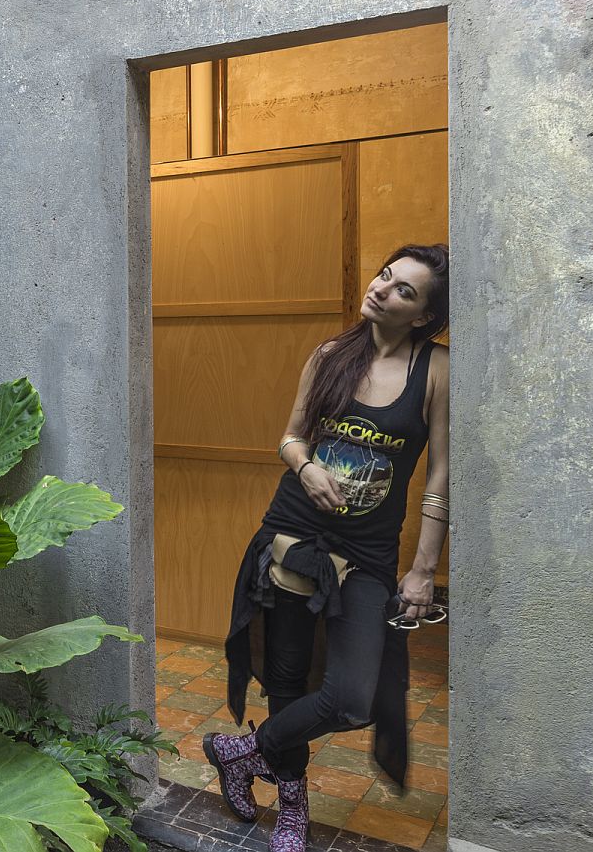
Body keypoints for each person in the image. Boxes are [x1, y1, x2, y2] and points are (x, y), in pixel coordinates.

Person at [203, 243, 451, 852]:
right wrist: (307, 466)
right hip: (292, 535)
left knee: (353, 694)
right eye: (385, 276)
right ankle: (293, 806)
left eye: (403, 291)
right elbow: (290, 436)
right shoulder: (330, 355)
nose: (382, 289)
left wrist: (422, 571)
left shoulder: (438, 370)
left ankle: (241, 753)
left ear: (421, 316)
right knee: (286, 676)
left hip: (367, 556)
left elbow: (442, 477)